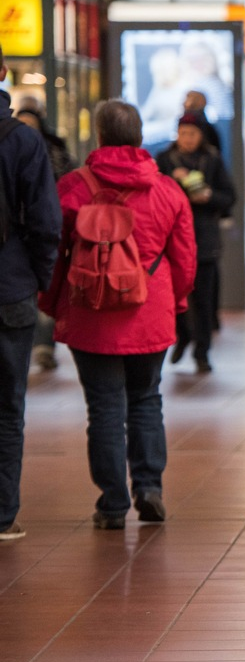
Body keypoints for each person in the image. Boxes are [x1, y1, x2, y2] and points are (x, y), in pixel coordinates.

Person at [46, 99, 196, 529]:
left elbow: (54, 254)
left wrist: (54, 303)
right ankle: (149, 487)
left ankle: (111, 504)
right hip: (149, 309)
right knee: (146, 399)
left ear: (99, 136)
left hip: (90, 314)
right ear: (139, 135)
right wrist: (175, 301)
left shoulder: (73, 187)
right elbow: (185, 259)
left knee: (104, 408)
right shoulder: (167, 190)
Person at [0, 42, 63, 541]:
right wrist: (41, 278)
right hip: (10, 288)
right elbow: (45, 222)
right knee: (6, 406)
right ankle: (2, 516)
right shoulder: (23, 142)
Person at [156, 113, 236, 374]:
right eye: (183, 133)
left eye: (192, 133)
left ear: (201, 135)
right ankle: (183, 337)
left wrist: (209, 196)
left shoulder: (212, 159)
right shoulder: (164, 160)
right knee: (174, 297)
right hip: (172, 240)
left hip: (204, 239)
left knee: (203, 299)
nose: (187, 138)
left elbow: (229, 196)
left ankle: (203, 352)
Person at [16, 101, 78, 372]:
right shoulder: (11, 151)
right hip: (20, 235)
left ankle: (43, 346)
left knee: (45, 287)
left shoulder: (54, 151)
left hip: (45, 231)